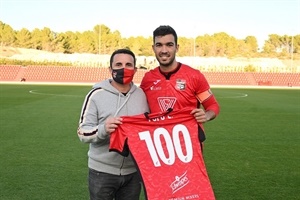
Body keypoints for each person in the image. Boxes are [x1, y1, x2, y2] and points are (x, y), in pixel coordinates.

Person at [77, 48, 149, 200]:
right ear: (110, 69)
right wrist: (104, 128)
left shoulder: (141, 95)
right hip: (102, 172)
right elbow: (82, 132)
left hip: (133, 173)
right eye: (119, 64)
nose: (124, 68)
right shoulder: (96, 94)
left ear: (135, 69)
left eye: (129, 65)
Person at [140, 25, 220, 148]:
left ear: (177, 48)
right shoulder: (148, 79)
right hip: (158, 145)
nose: (164, 50)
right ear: (153, 48)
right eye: (159, 45)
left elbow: (212, 106)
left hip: (189, 144)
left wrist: (206, 115)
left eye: (169, 45)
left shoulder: (194, 76)